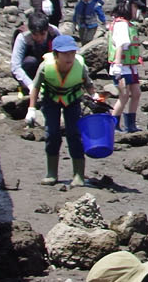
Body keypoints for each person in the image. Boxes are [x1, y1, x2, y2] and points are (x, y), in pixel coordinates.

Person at [25, 34, 97, 187]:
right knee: (52, 133)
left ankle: (78, 174)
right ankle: (51, 173)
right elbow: (36, 87)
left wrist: (95, 96)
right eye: (65, 54)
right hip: (51, 99)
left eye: (72, 53)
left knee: (74, 134)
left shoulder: (80, 66)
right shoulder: (45, 67)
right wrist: (31, 108)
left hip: (72, 100)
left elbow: (88, 84)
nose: (69, 57)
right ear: (56, 54)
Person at [107, 0, 143, 133]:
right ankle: (114, 124)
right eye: (134, 7)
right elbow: (120, 45)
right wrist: (117, 65)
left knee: (136, 93)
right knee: (124, 95)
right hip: (121, 67)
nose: (136, 10)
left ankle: (131, 124)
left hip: (130, 67)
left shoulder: (126, 24)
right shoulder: (121, 24)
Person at [9, 12, 53, 89]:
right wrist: (31, 85)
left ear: (47, 29)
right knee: (30, 61)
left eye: (42, 34)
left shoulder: (53, 32)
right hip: (29, 68)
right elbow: (15, 66)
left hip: (49, 66)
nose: (39, 38)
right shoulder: (22, 37)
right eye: (35, 35)